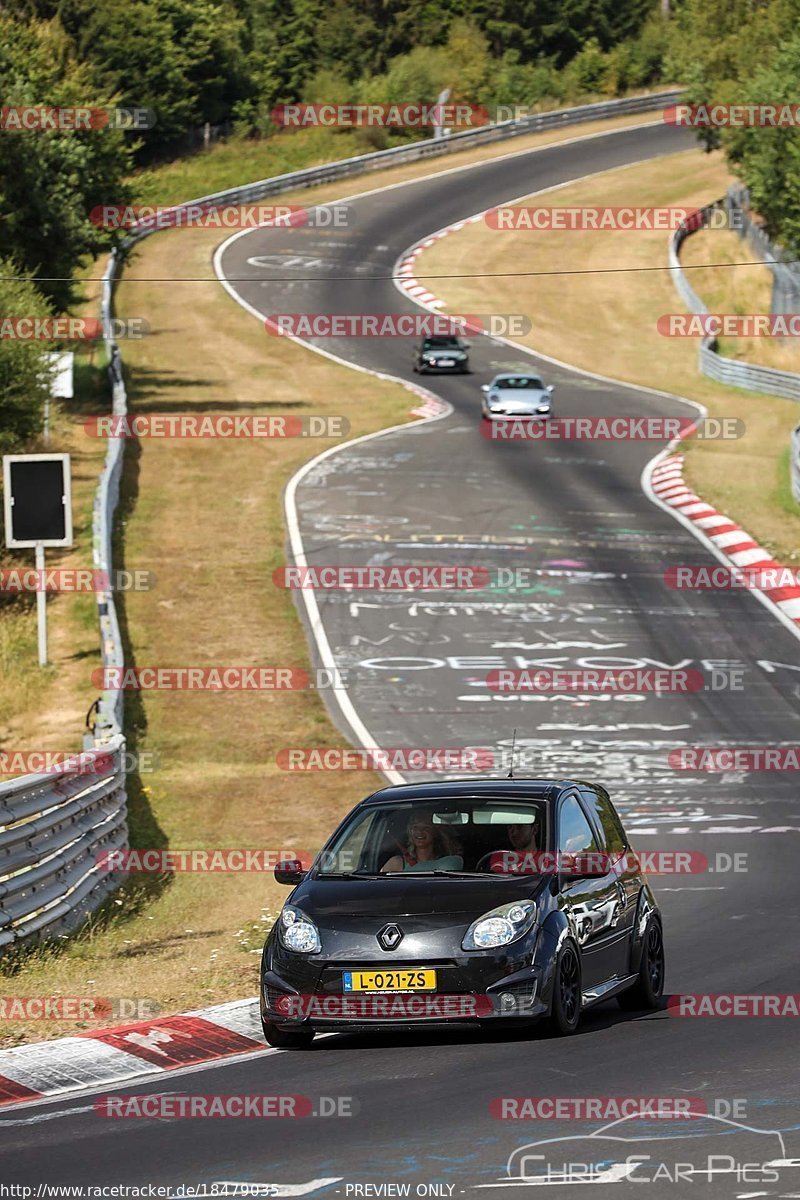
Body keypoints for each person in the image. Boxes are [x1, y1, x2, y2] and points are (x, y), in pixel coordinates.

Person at [381, 812, 463, 872]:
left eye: (426, 827)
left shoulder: (449, 863)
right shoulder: (397, 863)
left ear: (435, 832)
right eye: (415, 827)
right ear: (410, 831)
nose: (419, 831)